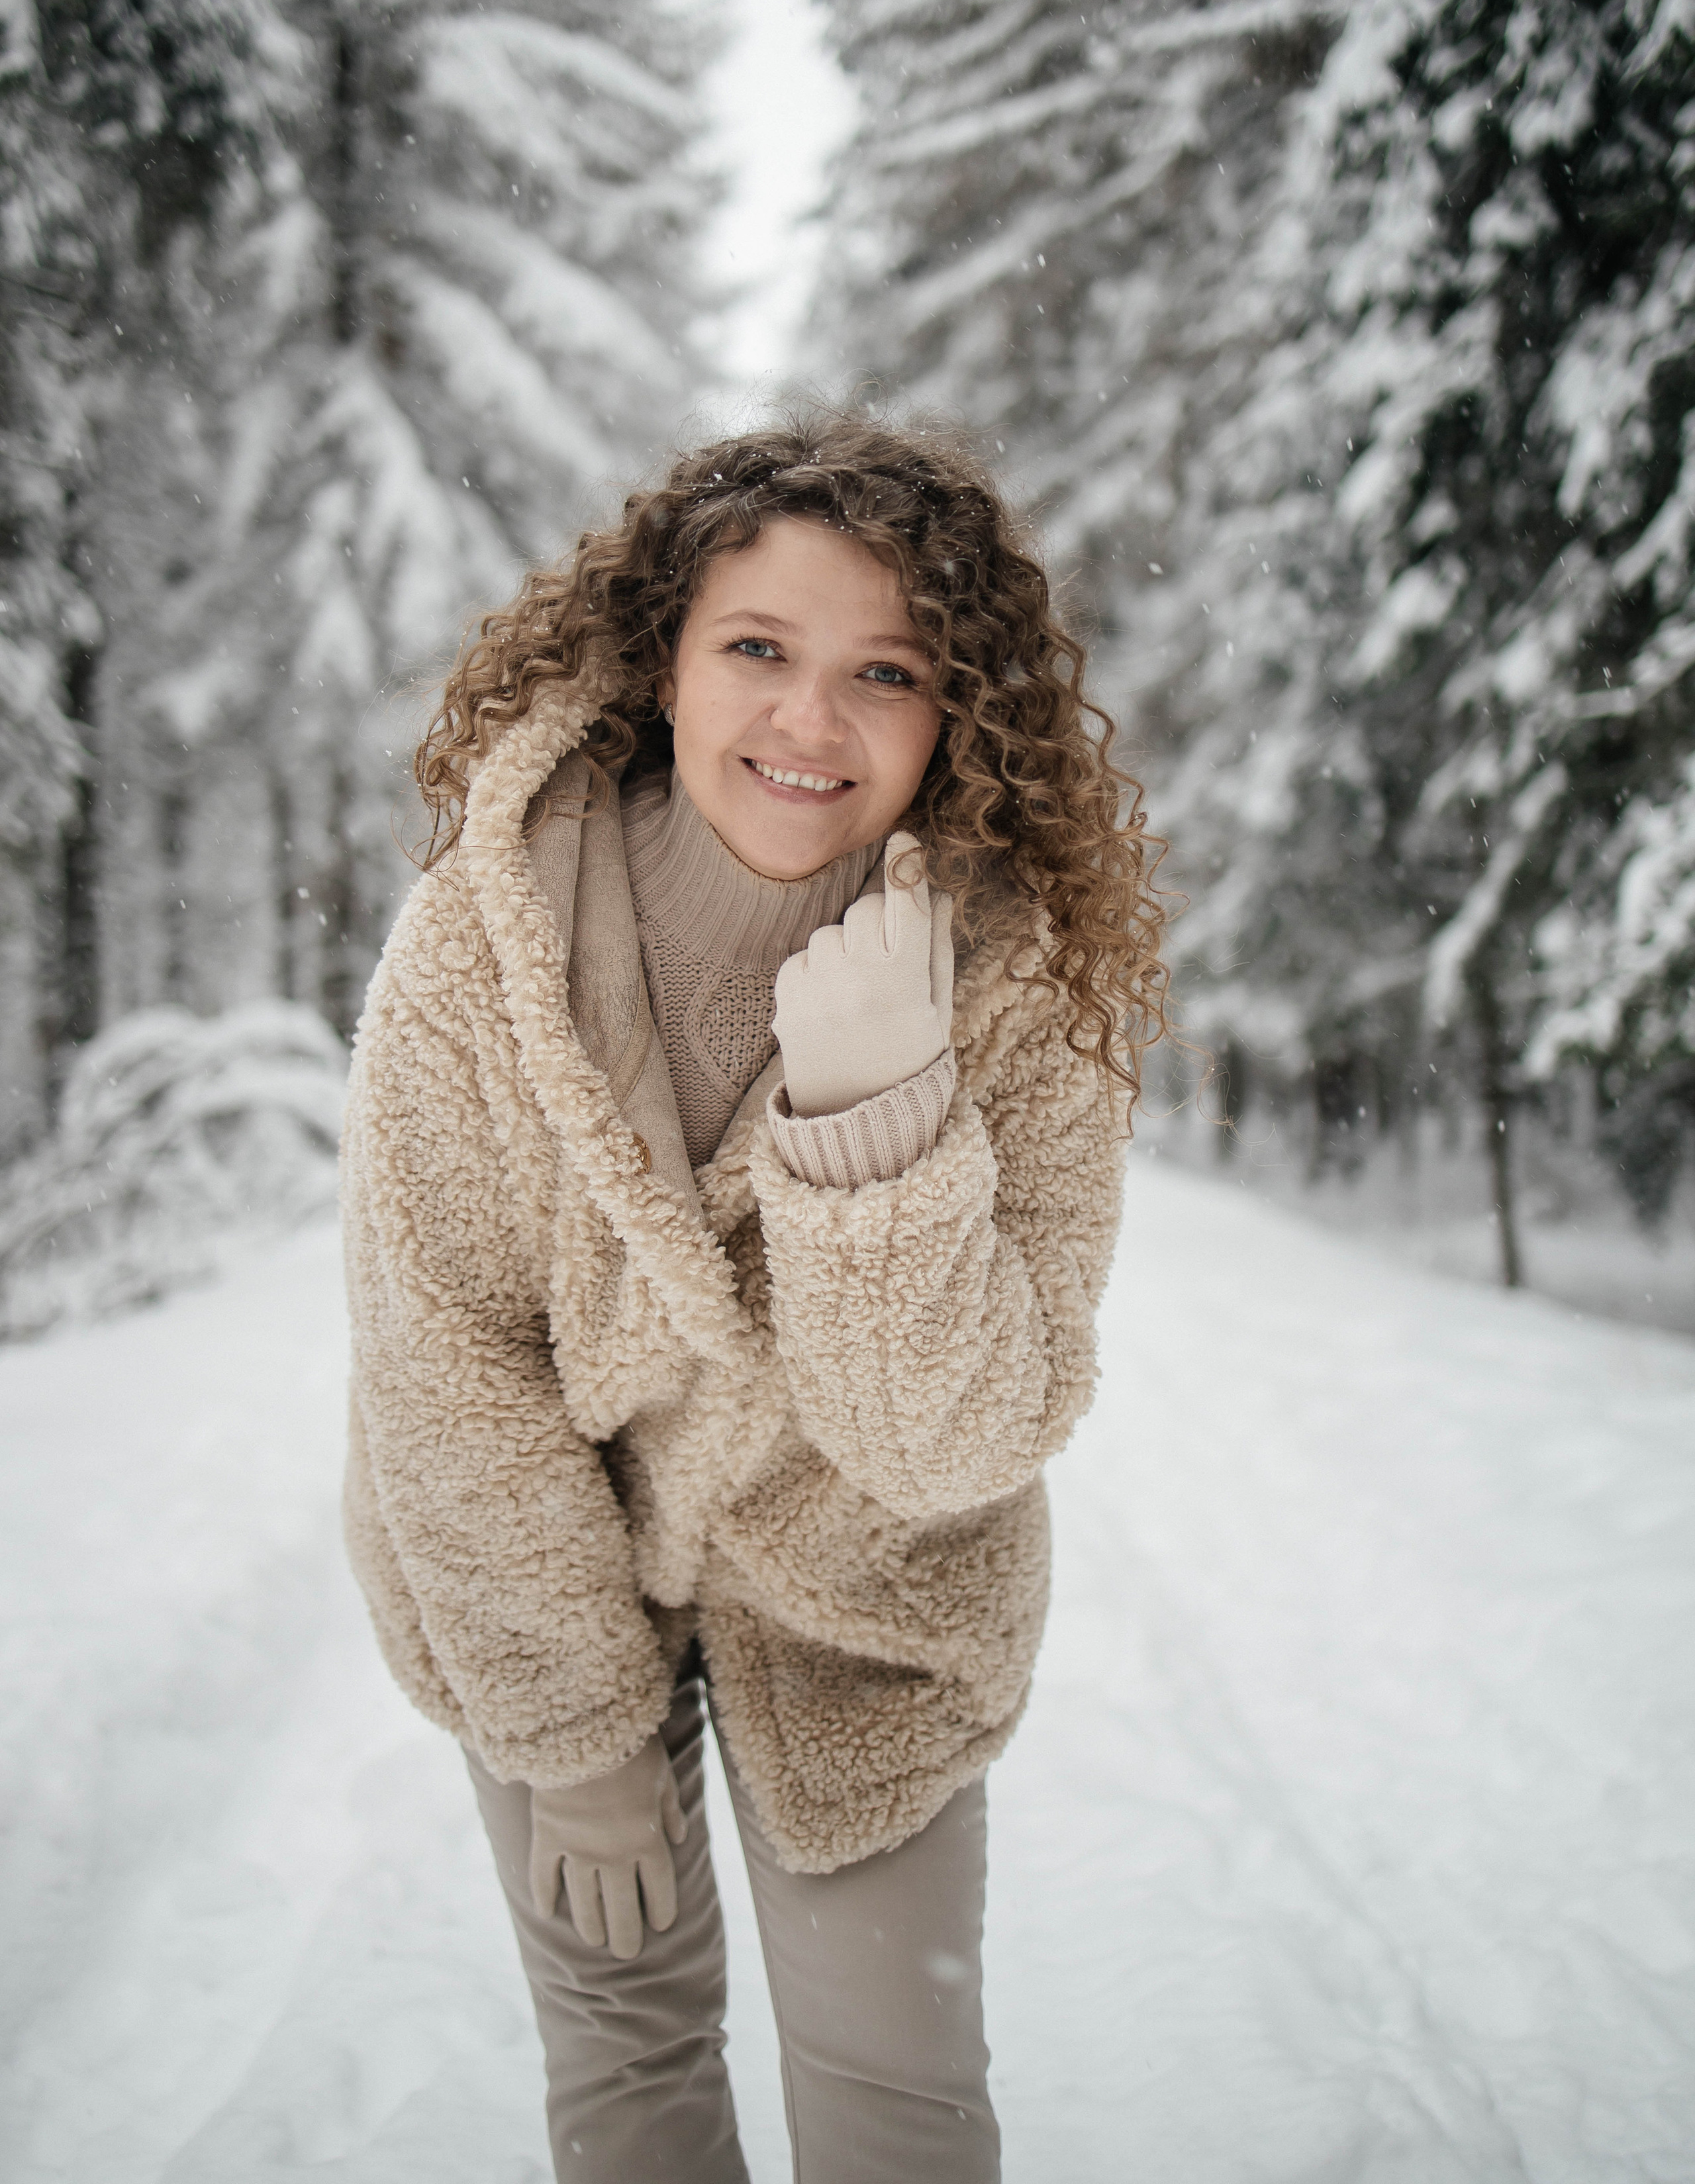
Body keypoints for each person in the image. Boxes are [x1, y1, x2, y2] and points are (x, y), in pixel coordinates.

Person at [340, 412, 1165, 2183]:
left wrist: (881, 1124)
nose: (813, 720)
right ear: (665, 655)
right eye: (759, 651)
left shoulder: (1018, 976)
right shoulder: (489, 933)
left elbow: (958, 1443)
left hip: (875, 1602)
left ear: (961, 714)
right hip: (548, 1579)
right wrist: (572, 1734)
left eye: (889, 669)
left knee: (898, 2094)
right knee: (628, 2064)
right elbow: (445, 1358)